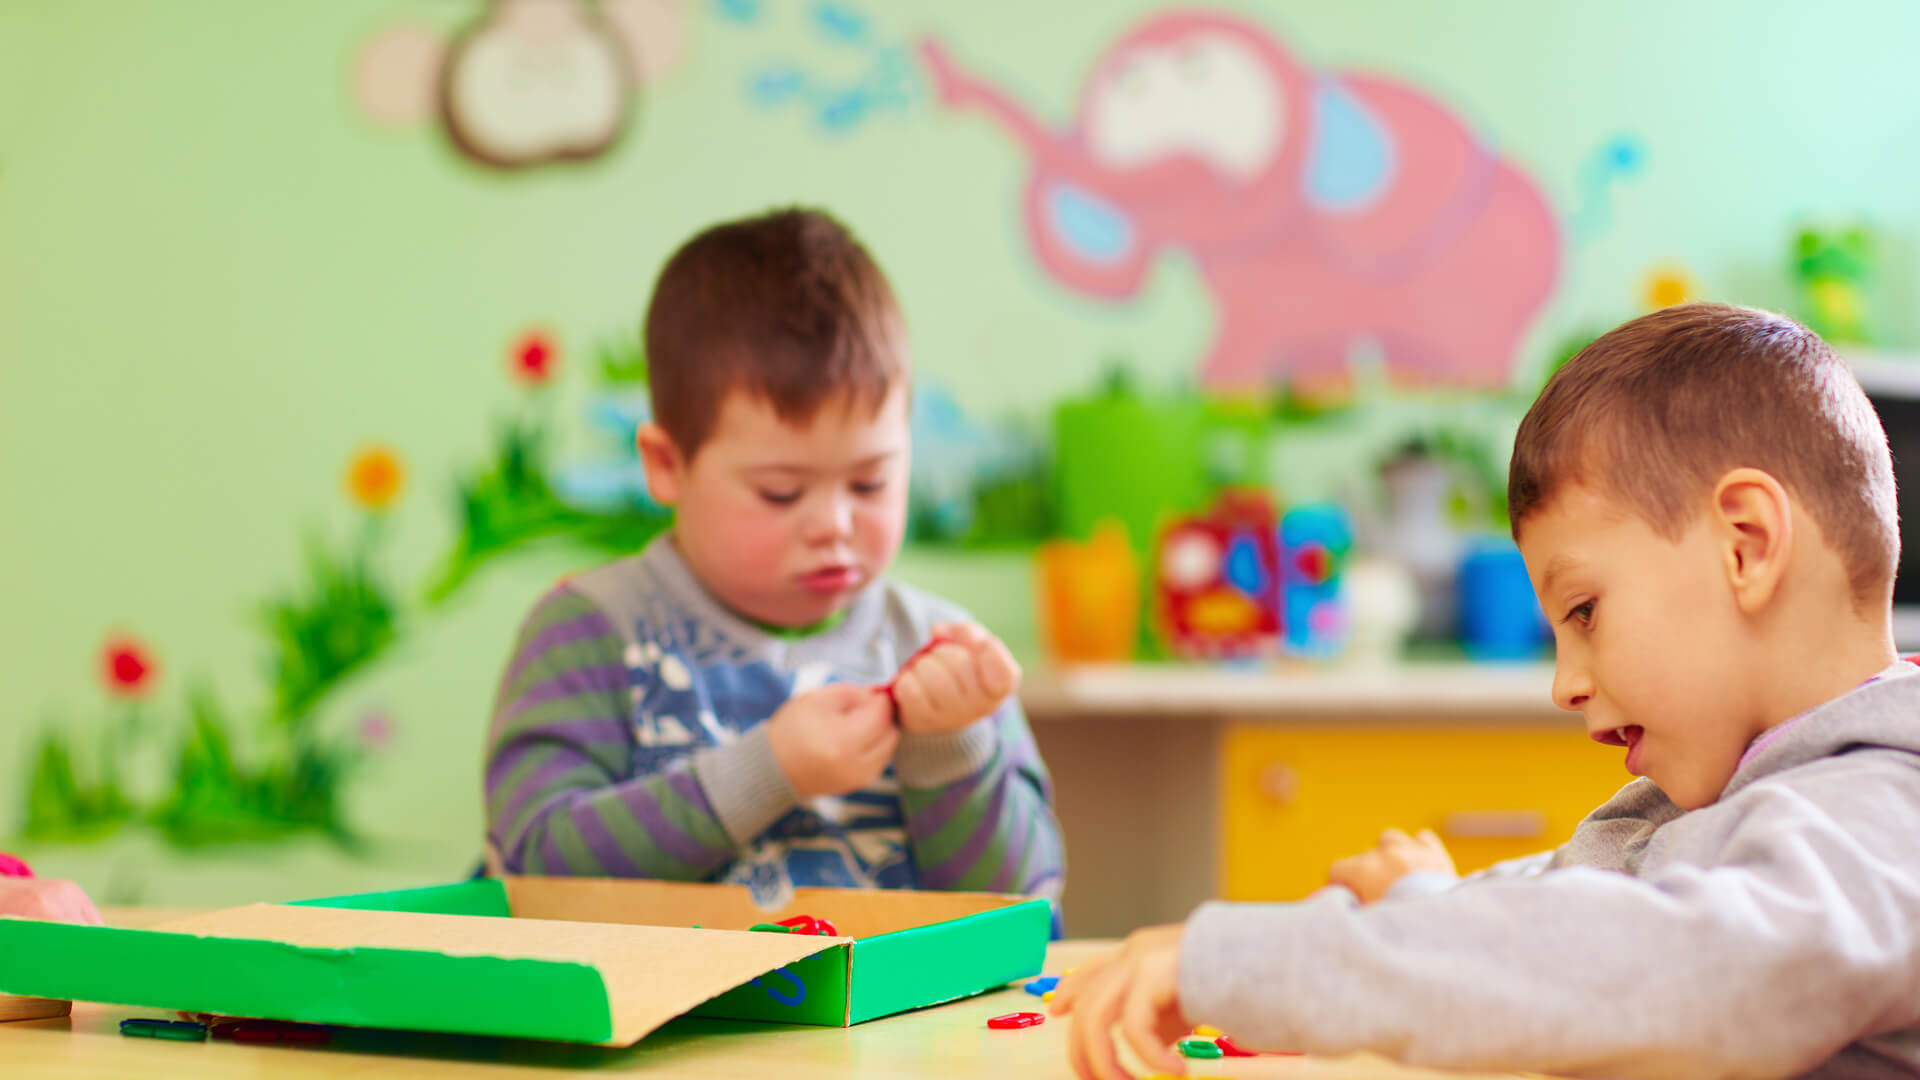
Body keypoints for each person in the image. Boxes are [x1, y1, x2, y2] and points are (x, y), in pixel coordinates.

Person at [1054, 303, 1920, 1079]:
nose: (1564, 686)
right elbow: (1558, 929)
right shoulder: (1695, 809)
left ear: (1745, 545)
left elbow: (1672, 973)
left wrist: (1247, 965)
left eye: (1584, 610)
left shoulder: (1883, 817)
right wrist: (1419, 909)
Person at [482, 208, 1063, 912]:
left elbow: (1029, 912)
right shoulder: (589, 631)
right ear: (667, 466)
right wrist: (768, 771)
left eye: (871, 482)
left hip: (896, 1027)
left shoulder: (941, 652)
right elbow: (530, 873)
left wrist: (952, 749)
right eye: (781, 492)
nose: (835, 525)